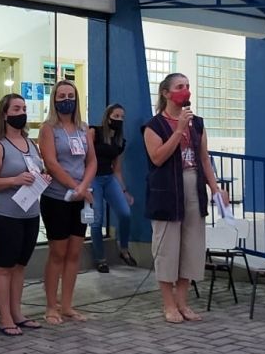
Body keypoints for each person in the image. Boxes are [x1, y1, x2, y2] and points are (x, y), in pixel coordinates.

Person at [142, 73, 227, 324]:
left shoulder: (197, 123)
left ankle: (182, 302)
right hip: (167, 190)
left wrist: (215, 188)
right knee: (168, 248)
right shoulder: (153, 126)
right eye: (180, 87)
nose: (185, 90)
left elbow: (204, 159)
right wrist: (178, 130)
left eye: (187, 86)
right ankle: (168, 304)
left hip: (193, 186)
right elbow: (157, 157)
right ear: (166, 93)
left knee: (191, 246)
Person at [0, 94, 46, 336]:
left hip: (30, 213)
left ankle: (17, 313)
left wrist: (42, 178)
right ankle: (5, 318)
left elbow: (36, 170)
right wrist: (13, 180)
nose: (22, 113)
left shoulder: (32, 144)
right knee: (4, 267)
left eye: (24, 108)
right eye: (16, 109)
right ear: (5, 114)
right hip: (5, 215)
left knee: (20, 266)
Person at [39, 79, 96, 324]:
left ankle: (67, 305)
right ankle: (51, 306)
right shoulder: (48, 129)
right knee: (58, 253)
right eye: (61, 96)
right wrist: (75, 187)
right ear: (54, 99)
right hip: (56, 198)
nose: (66, 100)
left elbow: (92, 161)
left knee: (74, 253)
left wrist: (83, 188)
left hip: (81, 198)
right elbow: (51, 163)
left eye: (70, 96)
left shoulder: (83, 128)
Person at [89, 103, 136, 272]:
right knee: (96, 220)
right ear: (107, 117)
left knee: (125, 213)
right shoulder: (94, 132)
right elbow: (85, 157)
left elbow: (117, 169)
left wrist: (124, 191)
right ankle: (100, 258)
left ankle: (124, 249)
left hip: (109, 179)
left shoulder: (119, 141)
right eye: (116, 116)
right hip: (93, 179)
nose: (119, 120)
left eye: (122, 117)